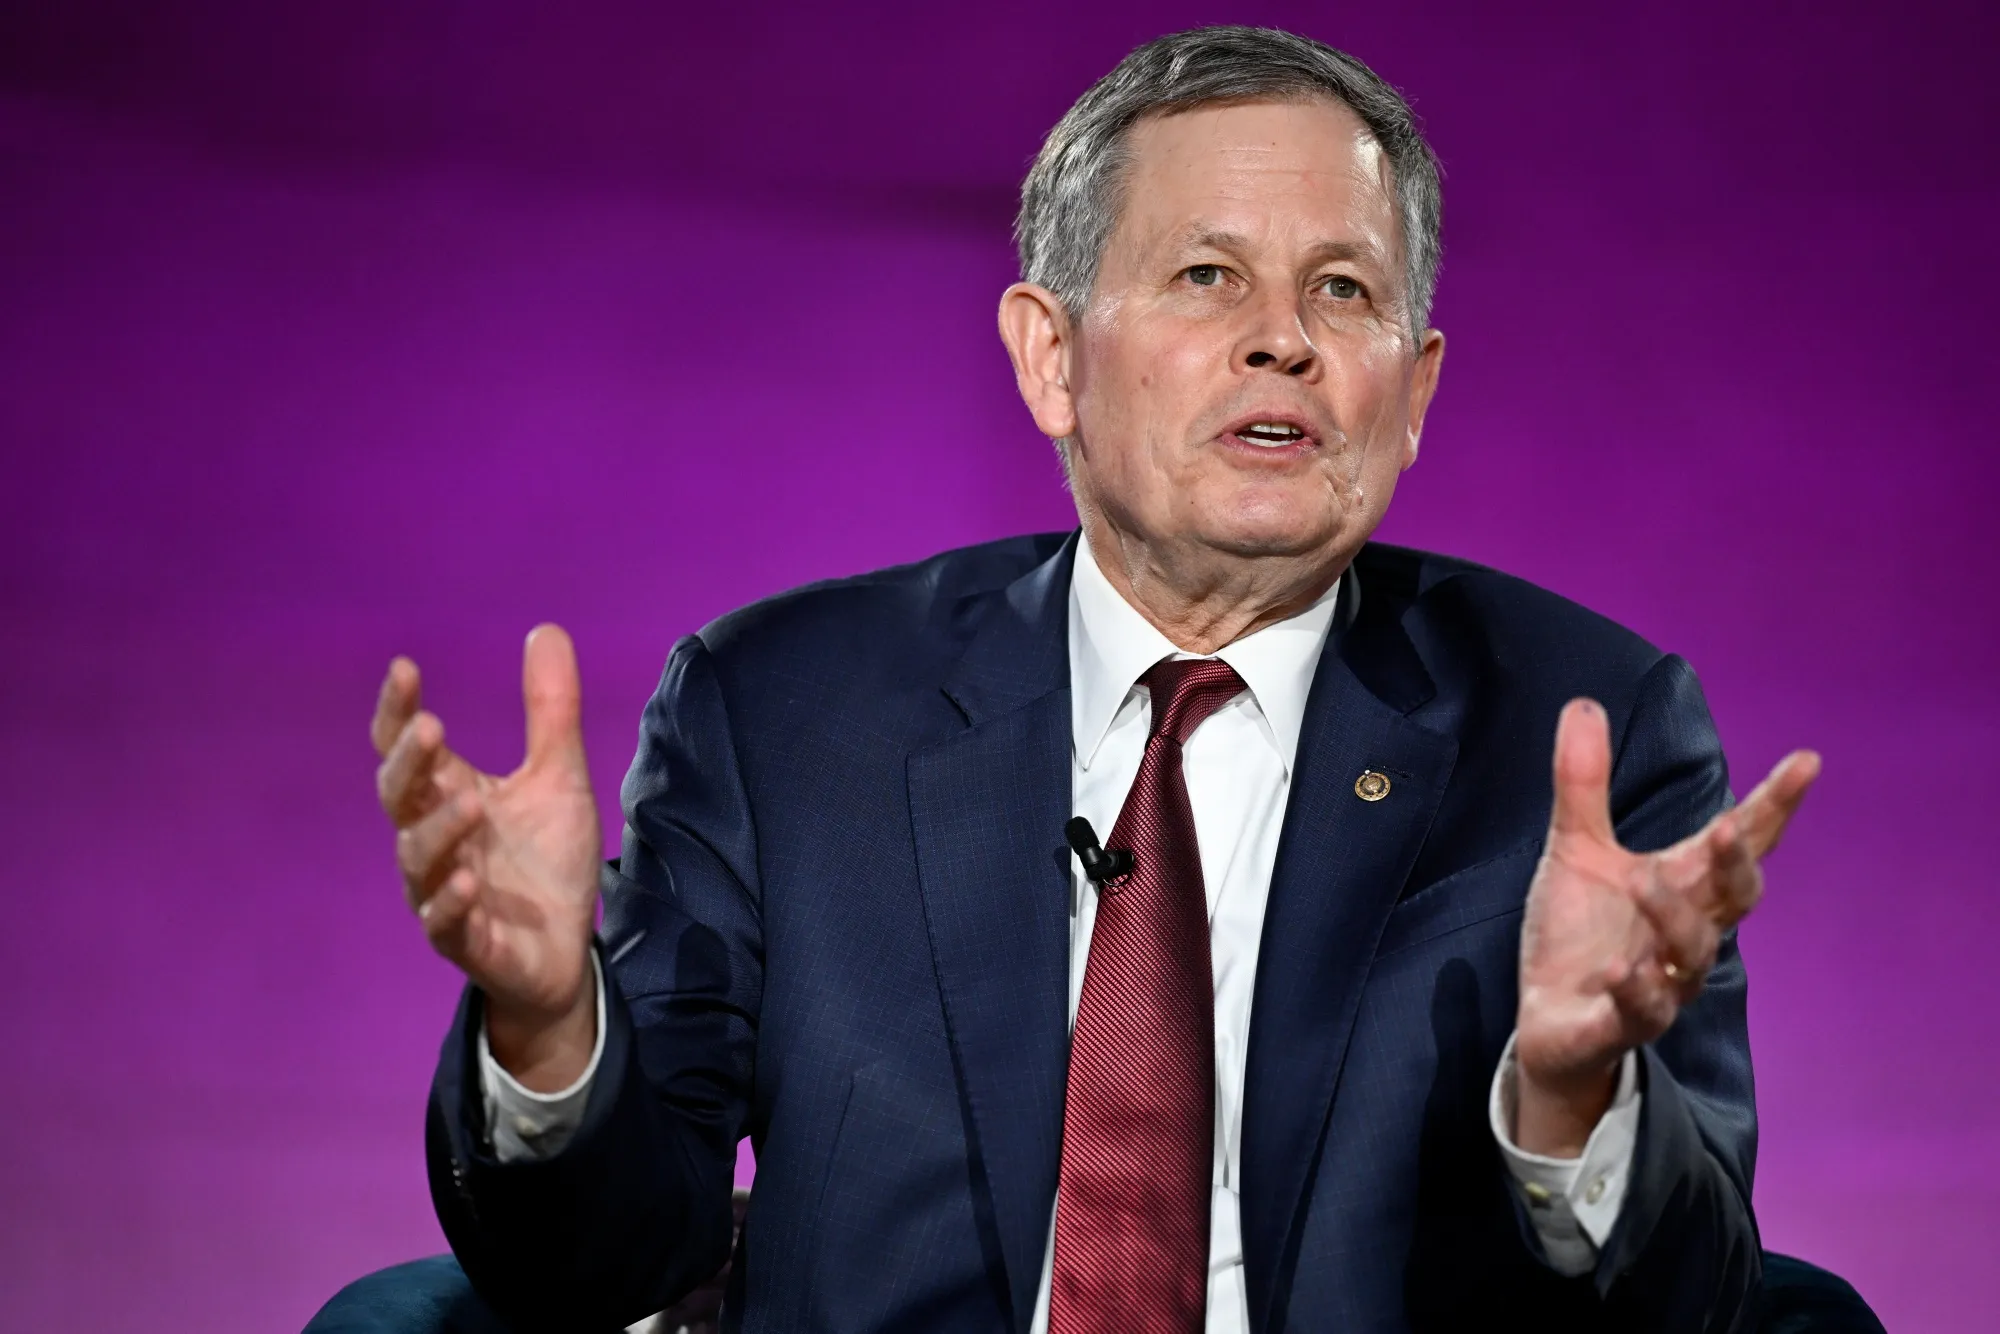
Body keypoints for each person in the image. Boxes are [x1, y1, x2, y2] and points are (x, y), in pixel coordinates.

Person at [321, 25, 1819, 1334]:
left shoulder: (1582, 729)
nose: (1284, 342)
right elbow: (605, 1260)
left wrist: (1571, 1104)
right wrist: (547, 1025)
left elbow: (1698, 1305)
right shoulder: (781, 712)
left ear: (1412, 391)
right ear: (1052, 358)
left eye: (1344, 291)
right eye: (1207, 275)